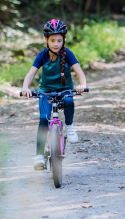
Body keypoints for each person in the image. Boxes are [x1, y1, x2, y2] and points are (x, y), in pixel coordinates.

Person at [20, 19, 87, 170]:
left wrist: (82, 85)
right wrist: (25, 87)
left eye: (59, 40)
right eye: (52, 40)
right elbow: (30, 75)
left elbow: (80, 72)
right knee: (43, 119)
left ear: (64, 40)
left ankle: (69, 126)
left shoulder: (68, 54)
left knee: (69, 101)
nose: (56, 44)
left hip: (65, 90)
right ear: (46, 40)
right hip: (45, 92)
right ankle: (38, 155)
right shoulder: (42, 55)